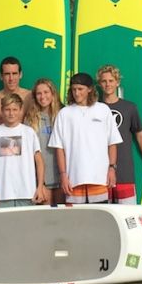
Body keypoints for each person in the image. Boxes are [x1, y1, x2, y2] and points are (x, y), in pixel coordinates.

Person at [49, 72, 122, 204]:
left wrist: (112, 168)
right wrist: (63, 175)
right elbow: (59, 148)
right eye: (74, 89)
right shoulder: (64, 113)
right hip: (73, 180)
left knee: (99, 219)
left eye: (80, 89)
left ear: (89, 89)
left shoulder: (103, 109)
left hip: (100, 179)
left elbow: (112, 143)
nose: (77, 93)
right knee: (75, 222)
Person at [97, 65, 142, 204]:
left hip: (125, 171)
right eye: (104, 81)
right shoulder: (94, 108)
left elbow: (140, 135)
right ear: (99, 84)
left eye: (111, 80)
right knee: (103, 215)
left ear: (117, 82)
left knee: (128, 214)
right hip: (99, 172)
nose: (108, 84)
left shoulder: (129, 107)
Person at [0, 94, 46, 207]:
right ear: (2, 110)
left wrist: (39, 187)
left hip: (27, 193)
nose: (11, 113)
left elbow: (39, 161)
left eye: (15, 109)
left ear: (21, 110)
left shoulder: (29, 132)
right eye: (7, 110)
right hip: (1, 194)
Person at [0, 57, 33, 180]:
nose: (11, 78)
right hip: (3, 156)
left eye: (14, 73)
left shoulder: (30, 97)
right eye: (7, 74)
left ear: (20, 75)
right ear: (1, 76)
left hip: (27, 155)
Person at [24, 78, 65, 205]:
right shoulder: (30, 119)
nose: (43, 97)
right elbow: (29, 155)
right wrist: (38, 184)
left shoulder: (64, 114)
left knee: (64, 220)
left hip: (64, 178)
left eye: (46, 92)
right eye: (39, 93)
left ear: (53, 93)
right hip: (43, 181)